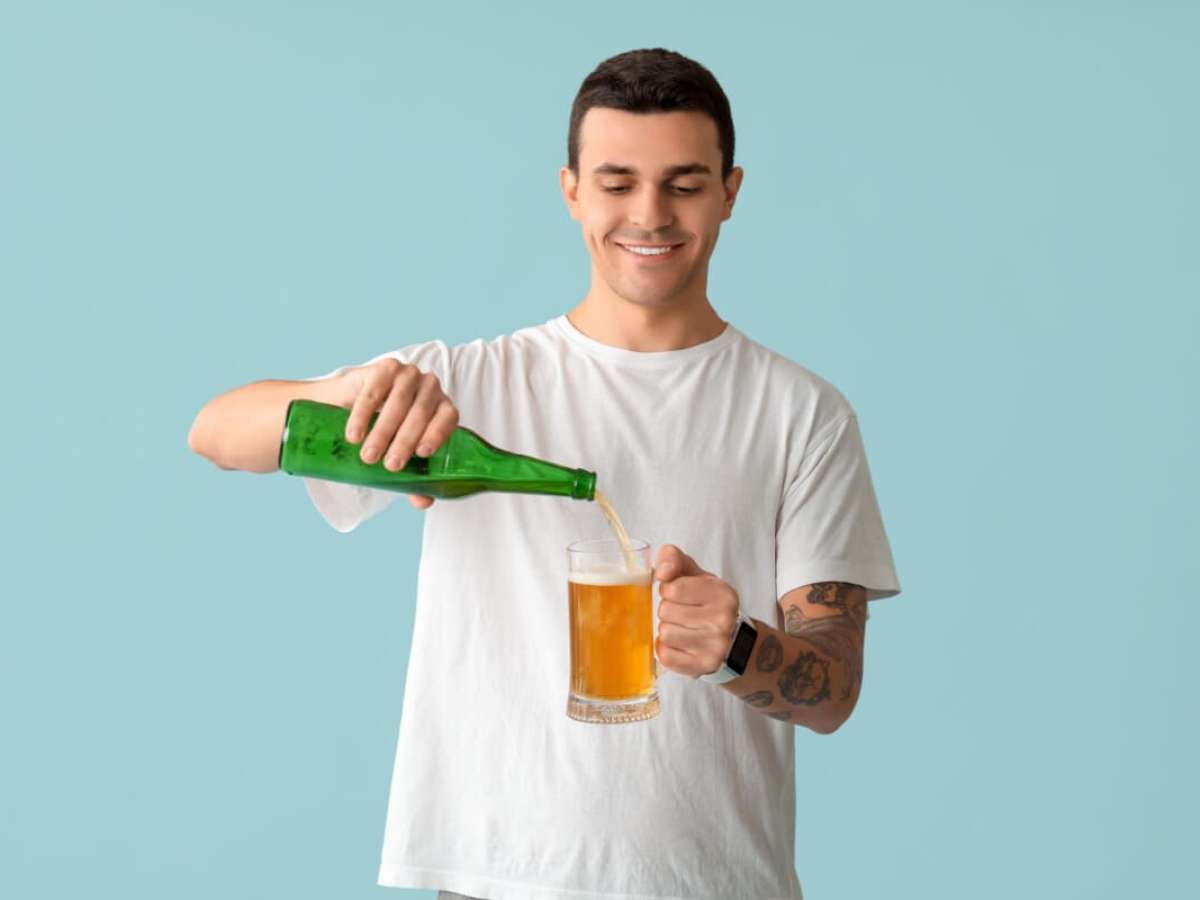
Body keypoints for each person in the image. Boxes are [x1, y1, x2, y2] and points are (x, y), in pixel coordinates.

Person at [188, 47, 901, 900]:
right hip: (492, 879)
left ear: (729, 192)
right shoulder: (465, 388)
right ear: (571, 191)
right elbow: (216, 430)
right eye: (616, 183)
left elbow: (834, 691)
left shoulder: (803, 413)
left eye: (683, 184)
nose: (649, 215)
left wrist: (737, 648)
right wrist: (360, 399)